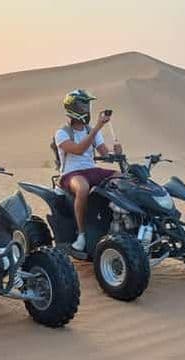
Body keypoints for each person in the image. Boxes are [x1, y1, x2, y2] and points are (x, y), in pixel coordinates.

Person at [54, 89, 122, 251]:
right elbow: (78, 149)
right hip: (71, 174)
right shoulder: (62, 133)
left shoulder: (90, 131)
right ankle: (82, 235)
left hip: (91, 170)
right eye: (82, 105)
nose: (86, 108)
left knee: (122, 178)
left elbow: (104, 154)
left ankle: (119, 221)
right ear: (73, 108)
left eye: (87, 104)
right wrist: (97, 127)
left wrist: (116, 153)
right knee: (83, 188)